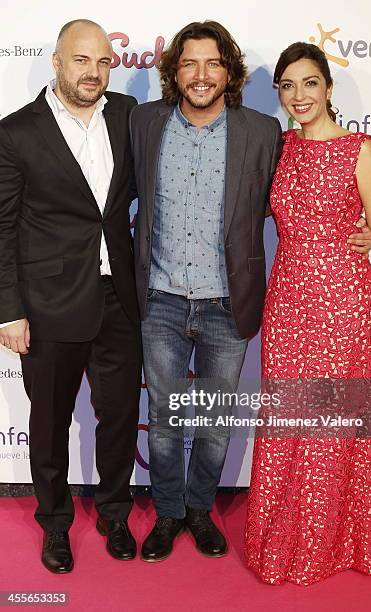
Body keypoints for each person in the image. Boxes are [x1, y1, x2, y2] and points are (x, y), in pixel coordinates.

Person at [129, 21, 371, 563]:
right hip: (162, 298)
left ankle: (199, 510)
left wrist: (362, 228)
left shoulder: (263, 132)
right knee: (167, 419)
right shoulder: (143, 122)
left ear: (228, 70)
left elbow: (308, 189)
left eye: (212, 63)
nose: (200, 75)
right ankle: (167, 514)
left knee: (214, 421)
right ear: (173, 71)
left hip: (227, 302)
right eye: (189, 63)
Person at [245, 42, 371, 585]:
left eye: (309, 83)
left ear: (329, 88)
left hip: (347, 305)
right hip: (288, 302)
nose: (298, 95)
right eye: (287, 85)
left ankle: (339, 541)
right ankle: (290, 538)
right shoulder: (278, 147)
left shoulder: (359, 148)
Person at [0, 20, 142, 573]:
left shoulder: (129, 117)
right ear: (57, 62)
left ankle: (113, 511)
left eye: (104, 63)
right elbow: (3, 227)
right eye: (83, 61)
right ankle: (55, 523)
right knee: (51, 421)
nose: (94, 73)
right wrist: (8, 310)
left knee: (120, 415)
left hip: (120, 300)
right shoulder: (16, 132)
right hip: (48, 304)